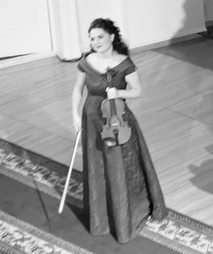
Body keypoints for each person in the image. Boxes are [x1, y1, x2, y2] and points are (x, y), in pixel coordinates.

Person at [70, 18, 166, 242]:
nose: (95, 42)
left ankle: (124, 217)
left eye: (100, 37)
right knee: (97, 165)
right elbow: (77, 90)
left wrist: (120, 93)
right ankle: (102, 216)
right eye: (92, 39)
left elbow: (137, 90)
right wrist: (74, 114)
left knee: (118, 166)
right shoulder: (87, 61)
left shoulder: (124, 64)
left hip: (117, 120)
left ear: (112, 37)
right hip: (91, 118)